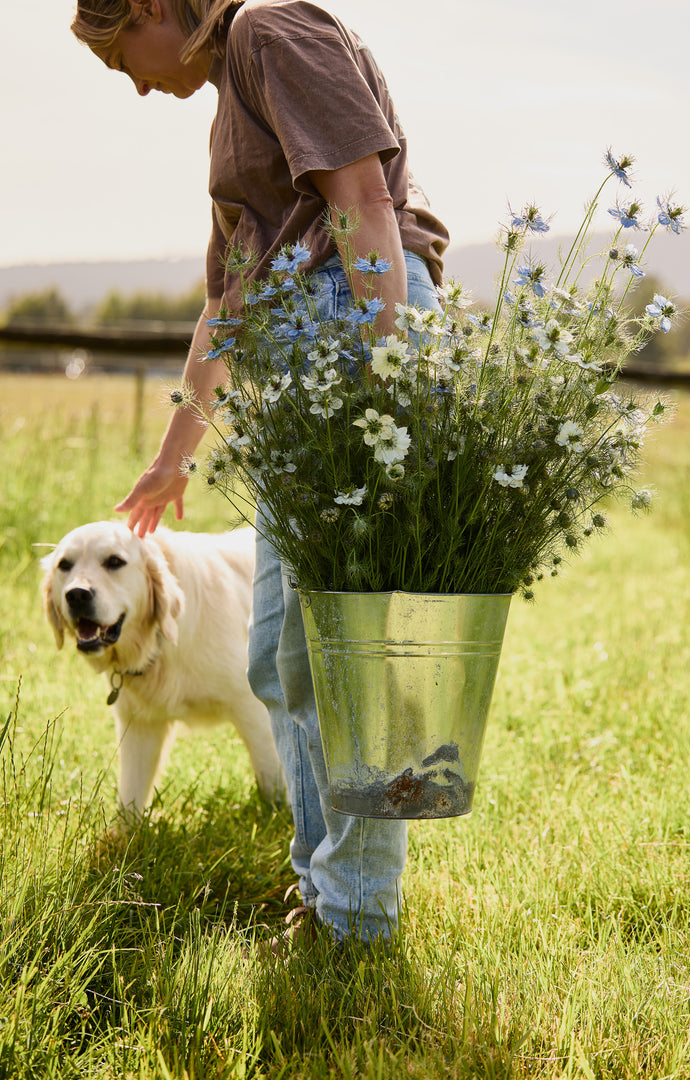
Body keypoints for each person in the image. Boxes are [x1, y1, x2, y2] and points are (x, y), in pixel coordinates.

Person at [72, 0, 449, 947]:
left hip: (356, 332)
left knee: (343, 651)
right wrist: (170, 458)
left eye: (125, 57)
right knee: (281, 652)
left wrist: (387, 373)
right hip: (301, 353)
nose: (137, 83)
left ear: (157, 8)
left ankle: (355, 918)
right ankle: (322, 890)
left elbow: (364, 202)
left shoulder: (267, 33)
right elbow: (225, 310)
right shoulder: (231, 117)